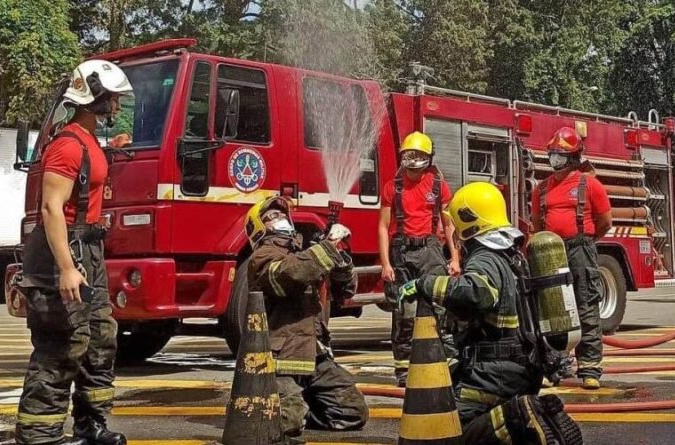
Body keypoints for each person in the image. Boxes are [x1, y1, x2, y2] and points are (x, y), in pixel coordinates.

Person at [397, 182, 582, 445]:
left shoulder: (484, 257)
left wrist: (424, 284)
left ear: (468, 219)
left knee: (445, 427)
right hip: (519, 366)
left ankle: (522, 417)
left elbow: (478, 292)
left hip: (493, 372)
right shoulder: (510, 254)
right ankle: (528, 418)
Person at [14, 60, 133, 445]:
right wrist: (67, 267)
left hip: (89, 250)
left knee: (99, 340)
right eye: (112, 99)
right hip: (64, 253)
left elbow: (84, 183)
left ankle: (90, 426)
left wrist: (109, 151)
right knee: (61, 346)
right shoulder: (67, 145)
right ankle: (39, 438)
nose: (116, 107)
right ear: (95, 98)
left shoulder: (87, 141)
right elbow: (52, 209)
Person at [246, 196, 369, 442]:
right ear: (258, 229)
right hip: (281, 360)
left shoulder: (306, 252)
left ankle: (301, 404)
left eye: (281, 215)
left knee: (353, 411)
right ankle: (266, 408)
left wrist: (341, 260)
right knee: (286, 423)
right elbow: (289, 275)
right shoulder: (262, 257)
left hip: (314, 355)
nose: (279, 220)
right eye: (270, 217)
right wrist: (326, 248)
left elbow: (346, 291)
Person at [531, 126, 612, 390]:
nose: (555, 159)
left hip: (580, 249)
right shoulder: (541, 189)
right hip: (550, 253)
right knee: (550, 308)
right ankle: (553, 367)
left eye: (560, 154)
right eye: (552, 153)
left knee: (586, 305)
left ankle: (589, 369)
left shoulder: (590, 185)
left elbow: (604, 222)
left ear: (574, 157)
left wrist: (584, 241)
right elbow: (536, 224)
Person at [378, 131, 460, 386]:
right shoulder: (393, 187)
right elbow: (383, 226)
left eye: (417, 156)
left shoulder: (437, 185)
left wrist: (455, 258)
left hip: (430, 250)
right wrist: (385, 264)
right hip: (401, 252)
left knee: (439, 307)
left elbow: (449, 226)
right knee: (404, 313)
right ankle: (404, 370)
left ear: (427, 158)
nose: (412, 162)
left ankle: (447, 363)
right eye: (408, 156)